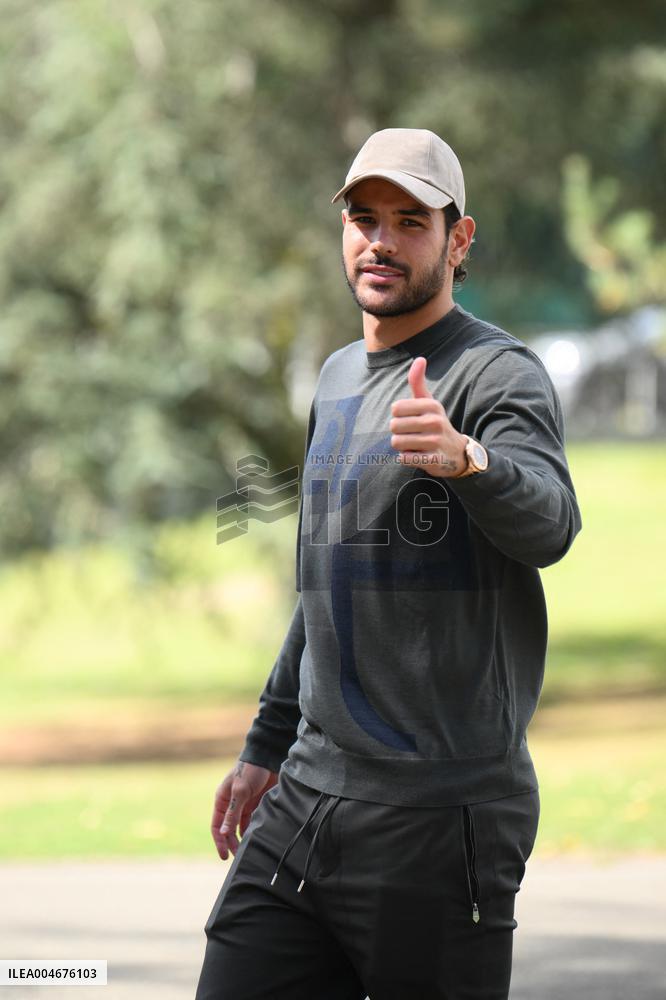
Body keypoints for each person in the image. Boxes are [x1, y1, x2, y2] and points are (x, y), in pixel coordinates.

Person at [195, 128, 582, 1000]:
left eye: (411, 221)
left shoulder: (496, 375)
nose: (381, 241)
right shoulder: (336, 378)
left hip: (441, 818)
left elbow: (553, 525)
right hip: (305, 803)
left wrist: (468, 461)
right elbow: (323, 591)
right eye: (364, 218)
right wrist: (265, 745)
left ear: (458, 239)